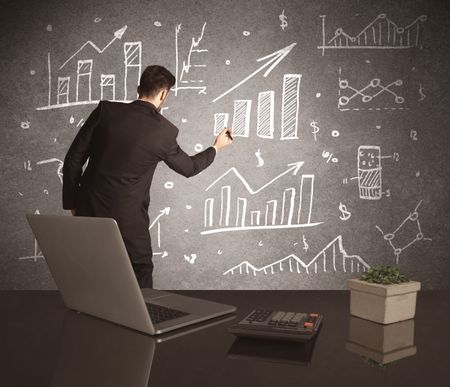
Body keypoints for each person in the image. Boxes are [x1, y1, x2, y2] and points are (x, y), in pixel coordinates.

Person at [62, 65, 233, 288]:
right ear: (164, 94)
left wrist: (73, 204)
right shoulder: (164, 132)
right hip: (127, 221)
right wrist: (216, 147)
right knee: (139, 269)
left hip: (88, 209)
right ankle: (139, 322)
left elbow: (73, 160)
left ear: (138, 89)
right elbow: (189, 168)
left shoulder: (105, 112)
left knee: (91, 272)